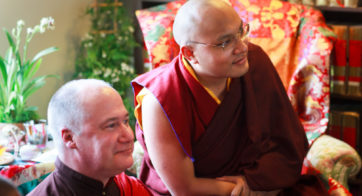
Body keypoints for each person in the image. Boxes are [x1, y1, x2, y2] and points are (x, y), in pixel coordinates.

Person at [131, 0, 329, 195]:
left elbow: (288, 145)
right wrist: (245, 190)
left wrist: (252, 182)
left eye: (241, 32)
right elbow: (184, 189)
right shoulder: (160, 99)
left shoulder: (254, 60)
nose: (241, 47)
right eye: (225, 42)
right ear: (190, 53)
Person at [28, 79, 151, 196]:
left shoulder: (130, 188)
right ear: (70, 138)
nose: (129, 136)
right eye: (111, 125)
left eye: (125, 121)